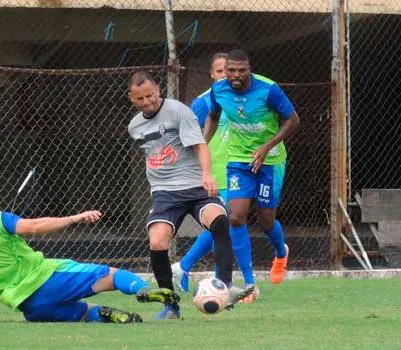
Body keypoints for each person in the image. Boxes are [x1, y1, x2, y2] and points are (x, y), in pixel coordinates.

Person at [0, 181, 180, 324]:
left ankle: (110, 315)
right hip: (47, 278)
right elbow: (35, 226)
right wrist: (75, 217)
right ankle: (142, 289)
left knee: (82, 312)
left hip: (30, 307)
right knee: (112, 275)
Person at [127, 71, 246, 320]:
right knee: (157, 242)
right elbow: (154, 154)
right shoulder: (134, 127)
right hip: (164, 193)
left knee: (220, 220)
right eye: (140, 99)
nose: (147, 101)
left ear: (158, 90)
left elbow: (200, 146)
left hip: (195, 186)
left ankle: (223, 287)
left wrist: (207, 175)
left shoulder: (179, 111)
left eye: (150, 95)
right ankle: (170, 304)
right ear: (131, 98)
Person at [203, 49, 300, 286]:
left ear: (249, 69)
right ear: (224, 71)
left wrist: (267, 146)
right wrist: (202, 145)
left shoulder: (268, 89)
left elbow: (293, 120)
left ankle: (280, 252)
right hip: (238, 160)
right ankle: (248, 283)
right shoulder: (219, 90)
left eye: (241, 70)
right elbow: (214, 116)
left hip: (270, 160)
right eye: (231, 71)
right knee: (235, 217)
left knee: (266, 220)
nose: (236, 75)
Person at [171, 52, 259, 303]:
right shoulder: (203, 102)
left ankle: (184, 266)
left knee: (232, 222)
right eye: (220, 72)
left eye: (228, 71)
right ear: (212, 74)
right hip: (215, 171)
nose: (225, 76)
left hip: (238, 167)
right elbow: (185, 133)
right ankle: (249, 284)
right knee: (232, 222)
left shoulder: (242, 97)